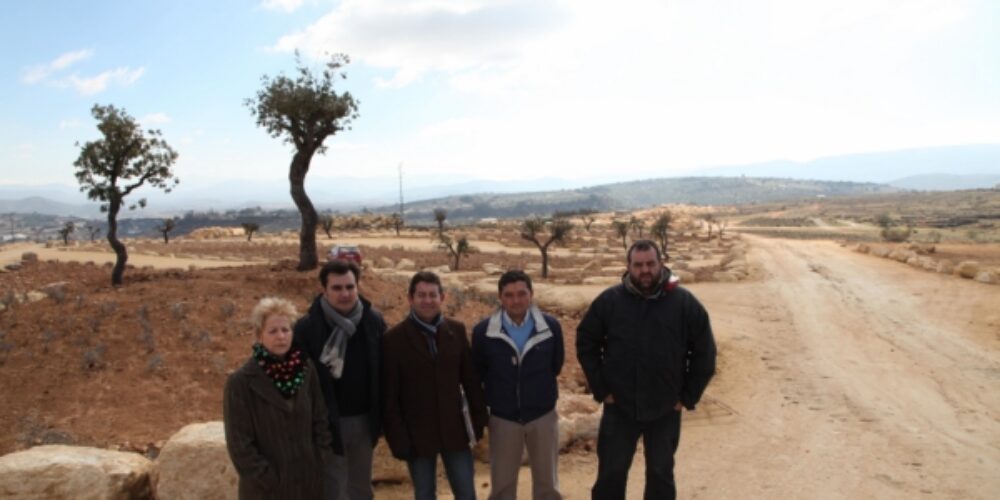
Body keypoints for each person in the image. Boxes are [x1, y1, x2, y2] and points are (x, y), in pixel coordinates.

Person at [576, 239, 717, 500]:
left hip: (665, 409)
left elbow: (705, 354)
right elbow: (586, 342)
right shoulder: (610, 302)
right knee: (610, 475)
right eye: (638, 265)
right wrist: (602, 388)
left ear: (661, 263)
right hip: (620, 407)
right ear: (628, 266)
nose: (645, 270)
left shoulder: (684, 303)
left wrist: (686, 397)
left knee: (661, 476)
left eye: (650, 264)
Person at [382, 271, 488, 500]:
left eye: (432, 295)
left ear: (442, 297)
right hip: (416, 435)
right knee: (424, 494)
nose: (427, 301)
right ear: (410, 298)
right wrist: (397, 438)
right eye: (421, 295)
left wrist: (479, 420)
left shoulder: (456, 331)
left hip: (455, 431)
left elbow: (470, 380)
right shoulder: (394, 339)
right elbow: (390, 395)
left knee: (466, 493)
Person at [293, 260, 387, 500]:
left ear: (357, 286)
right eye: (337, 288)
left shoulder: (372, 321)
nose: (344, 293)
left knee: (361, 487)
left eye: (349, 286)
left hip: (365, 421)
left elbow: (384, 369)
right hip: (326, 423)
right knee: (333, 489)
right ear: (324, 289)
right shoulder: (307, 328)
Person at [224, 297, 333, 499]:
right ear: (259, 335)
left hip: (308, 484)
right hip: (266, 490)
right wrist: (269, 478)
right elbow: (240, 444)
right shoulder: (241, 382)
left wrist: (320, 458)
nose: (280, 336)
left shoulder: (305, 370)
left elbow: (320, 418)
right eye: (272, 331)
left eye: (285, 330)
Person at [472, 270, 564, 500]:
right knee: (502, 486)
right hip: (504, 418)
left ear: (531, 295)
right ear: (500, 298)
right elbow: (479, 371)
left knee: (548, 486)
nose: (516, 300)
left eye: (522, 293)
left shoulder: (550, 327)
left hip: (542, 416)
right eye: (509, 295)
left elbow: (556, 365)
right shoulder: (484, 332)